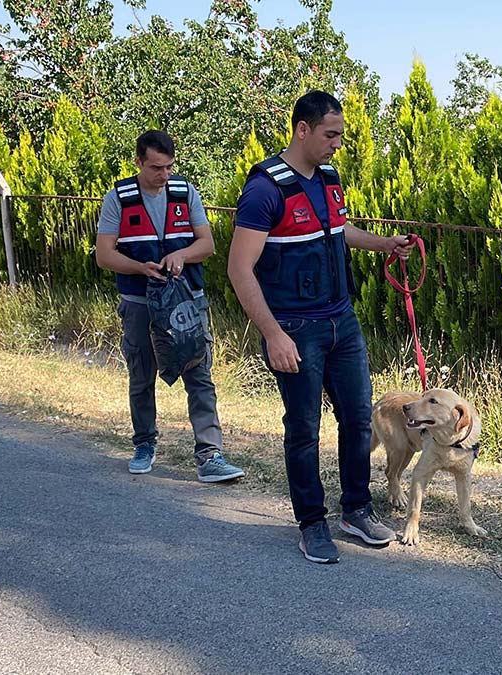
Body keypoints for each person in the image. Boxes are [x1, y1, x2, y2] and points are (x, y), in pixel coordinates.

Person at [228, 91, 416, 564]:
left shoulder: (329, 179)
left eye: (340, 135)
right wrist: (274, 334)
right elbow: (239, 269)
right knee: (303, 429)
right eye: (330, 135)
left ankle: (356, 510)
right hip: (294, 327)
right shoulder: (264, 189)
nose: (337, 144)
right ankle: (312, 523)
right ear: (302, 130)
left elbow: (338, 231)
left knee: (358, 420)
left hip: (341, 321)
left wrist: (384, 244)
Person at [95, 130, 245, 484]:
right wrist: (140, 267)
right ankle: (144, 444)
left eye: (169, 167)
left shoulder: (184, 192)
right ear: (138, 162)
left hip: (187, 302)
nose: (163, 175)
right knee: (141, 375)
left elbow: (206, 244)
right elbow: (104, 255)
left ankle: (210, 455)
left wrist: (182, 255)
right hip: (139, 303)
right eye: (155, 168)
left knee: (199, 374)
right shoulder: (119, 198)